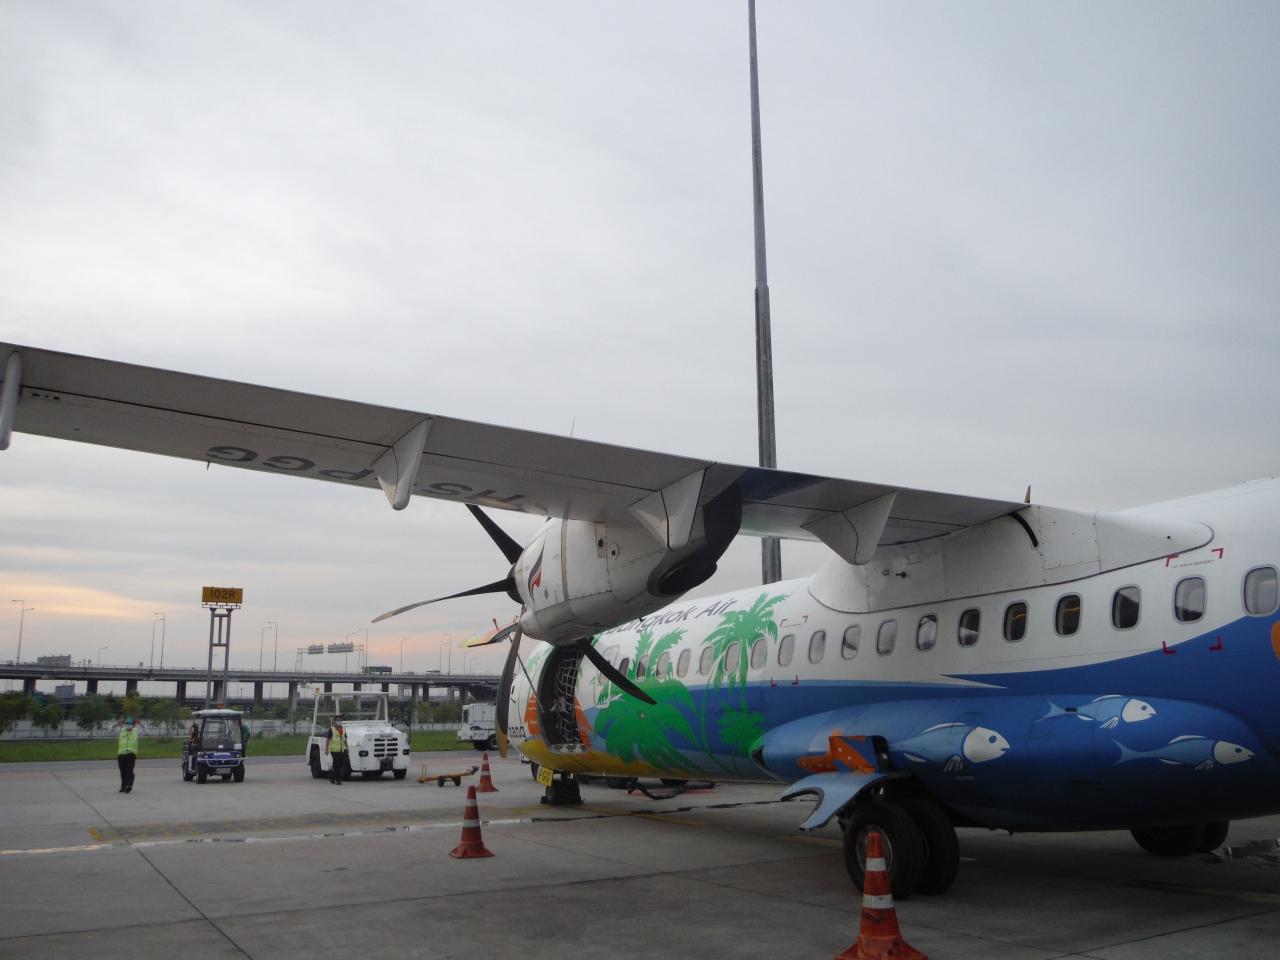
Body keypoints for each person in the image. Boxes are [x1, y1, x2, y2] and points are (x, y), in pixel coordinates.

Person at [117, 715, 140, 793]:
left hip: (131, 754)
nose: (128, 725)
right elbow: (109, 731)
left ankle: (129, 785)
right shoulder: (122, 730)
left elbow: (147, 731)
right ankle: (123, 786)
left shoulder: (136, 731)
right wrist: (117, 723)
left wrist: (140, 723)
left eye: (129, 723)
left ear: (133, 724)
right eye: (127, 723)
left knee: (129, 770)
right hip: (121, 754)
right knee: (123, 771)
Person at [324, 714, 347, 784]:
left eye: (340, 720)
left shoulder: (343, 729)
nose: (339, 721)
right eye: (338, 720)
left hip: (342, 750)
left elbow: (345, 739)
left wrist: (347, 747)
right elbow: (328, 739)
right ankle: (338, 780)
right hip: (334, 750)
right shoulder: (331, 729)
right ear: (335, 721)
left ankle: (331, 776)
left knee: (341, 764)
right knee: (337, 765)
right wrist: (326, 749)